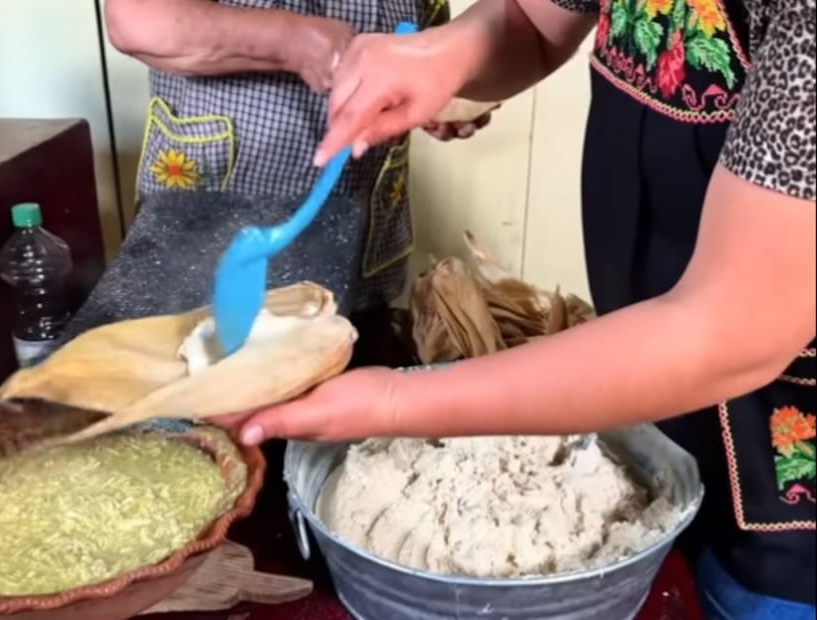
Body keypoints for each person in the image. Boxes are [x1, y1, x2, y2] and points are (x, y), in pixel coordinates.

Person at [219, 0, 817, 617]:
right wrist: (439, 57)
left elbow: (729, 326)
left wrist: (395, 404)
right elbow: (531, 25)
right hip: (665, 394)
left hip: (791, 514)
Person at [102, 0, 495, 366]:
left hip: (363, 263)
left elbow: (434, 43)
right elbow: (137, 19)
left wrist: (441, 89)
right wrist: (301, 42)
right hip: (209, 266)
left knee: (351, 425)